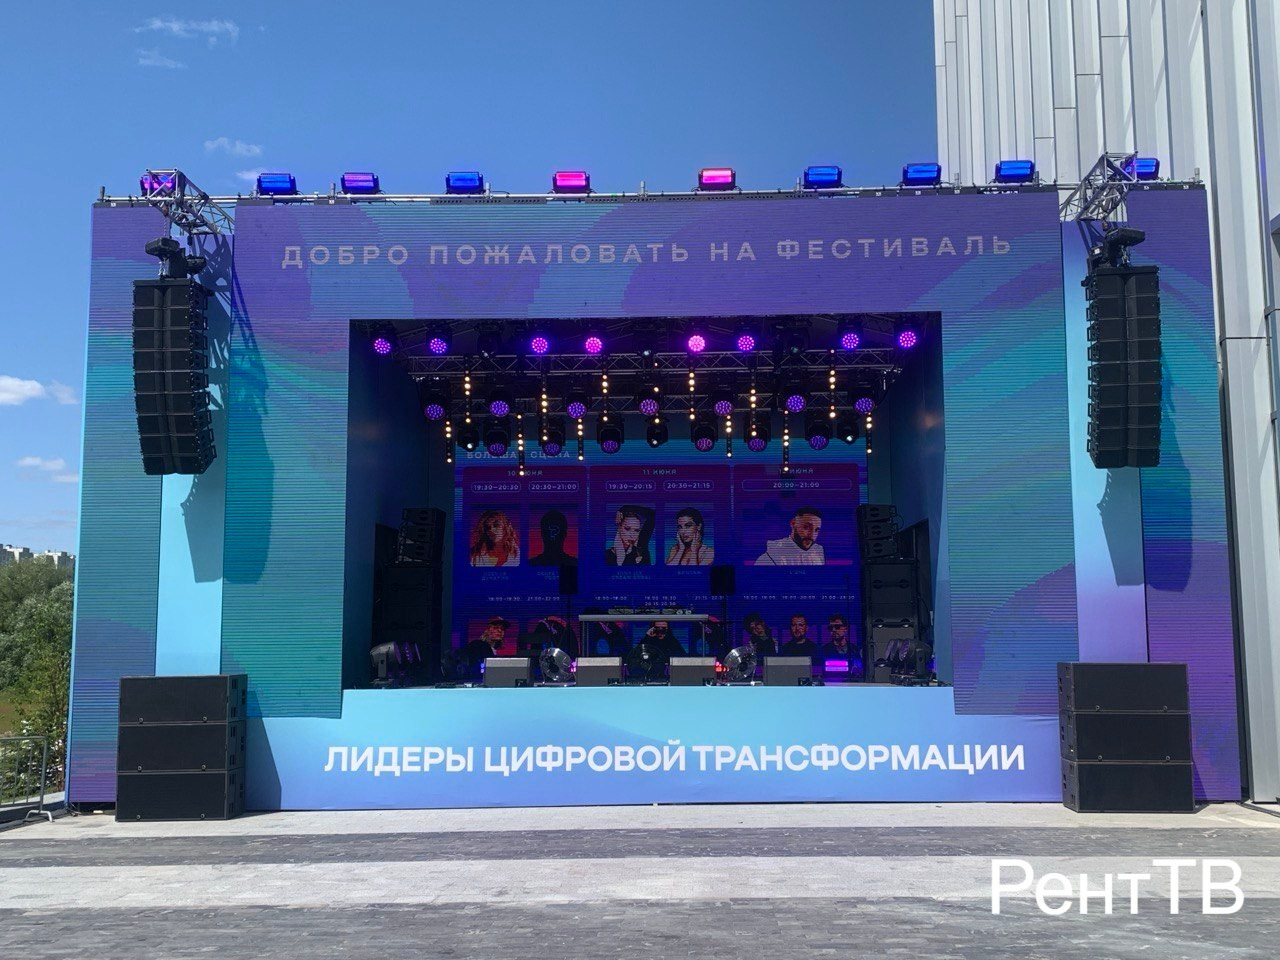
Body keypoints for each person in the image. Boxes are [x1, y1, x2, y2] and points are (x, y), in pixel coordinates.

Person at [755, 506, 825, 565]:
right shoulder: (771, 557)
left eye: (816, 530)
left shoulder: (817, 556)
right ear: (793, 524)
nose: (812, 535)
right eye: (806, 527)